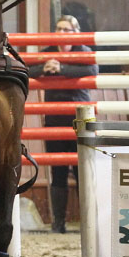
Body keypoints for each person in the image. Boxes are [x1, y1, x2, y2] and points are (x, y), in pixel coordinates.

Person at [28, 14, 99, 233]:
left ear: (76, 33)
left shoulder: (84, 52)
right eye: (59, 29)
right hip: (54, 118)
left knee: (82, 171)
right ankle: (58, 224)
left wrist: (61, 69)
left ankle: (88, 222)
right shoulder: (47, 52)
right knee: (57, 171)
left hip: (80, 117)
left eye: (67, 29)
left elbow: (92, 70)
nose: (62, 33)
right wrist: (44, 68)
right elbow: (27, 70)